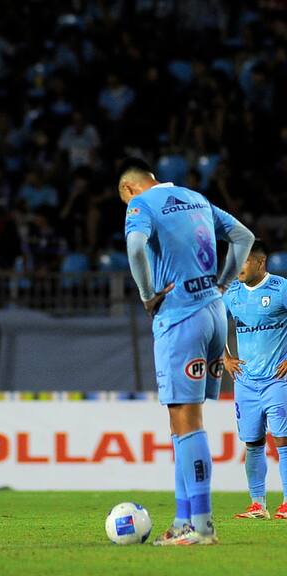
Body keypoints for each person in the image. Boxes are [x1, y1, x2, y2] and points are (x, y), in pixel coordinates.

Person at [119, 157, 254, 545]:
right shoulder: (195, 197)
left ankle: (201, 524)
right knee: (182, 420)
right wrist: (225, 283)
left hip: (180, 318)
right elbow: (243, 237)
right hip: (213, 313)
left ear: (130, 188)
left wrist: (147, 296)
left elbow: (134, 246)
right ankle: (183, 521)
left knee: (187, 420)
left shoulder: (140, 205)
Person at [222, 240, 287, 520]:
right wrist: (224, 358)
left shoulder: (281, 288)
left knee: (283, 440)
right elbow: (215, 325)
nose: (238, 267)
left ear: (260, 263)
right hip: (246, 382)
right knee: (253, 443)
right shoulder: (231, 293)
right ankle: (257, 504)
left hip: (277, 379)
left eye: (244, 261)